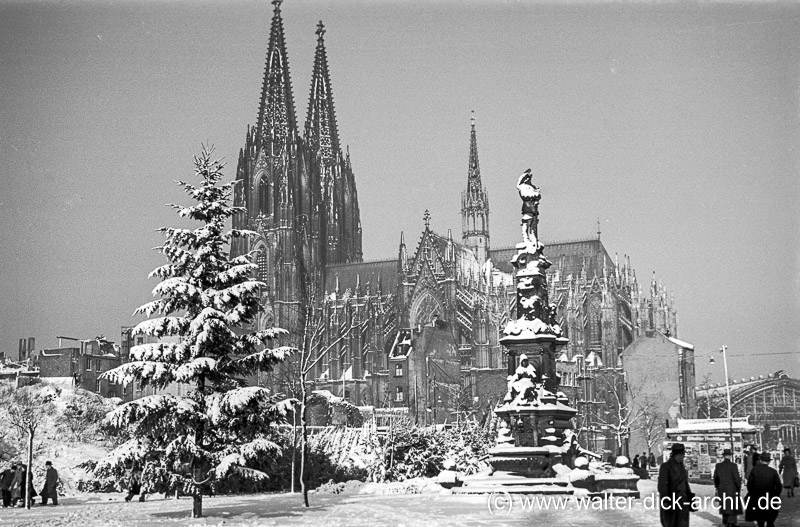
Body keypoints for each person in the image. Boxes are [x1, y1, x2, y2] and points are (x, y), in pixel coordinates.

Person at [658, 443, 694, 527]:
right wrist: (665, 500)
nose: (683, 457)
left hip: (683, 504)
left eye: (683, 455)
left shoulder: (682, 468)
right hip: (671, 504)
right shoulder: (665, 467)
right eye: (681, 455)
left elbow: (685, 485)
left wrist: (690, 498)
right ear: (675, 455)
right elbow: (663, 485)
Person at [746, 452, 782, 527]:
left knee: (760, 518)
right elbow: (779, 486)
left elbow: (749, 485)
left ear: (761, 460)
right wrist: (776, 495)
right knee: (771, 514)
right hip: (770, 497)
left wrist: (752, 494)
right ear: (768, 461)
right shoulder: (773, 472)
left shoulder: (754, 470)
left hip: (757, 497)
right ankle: (769, 523)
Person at [713, 448, 742, 527]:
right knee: (732, 505)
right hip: (732, 488)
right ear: (730, 456)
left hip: (722, 488)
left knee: (724, 504)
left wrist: (717, 486)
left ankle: (725, 521)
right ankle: (731, 522)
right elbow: (737, 478)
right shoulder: (733, 466)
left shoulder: (718, 466)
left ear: (724, 456)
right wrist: (738, 487)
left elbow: (715, 478)